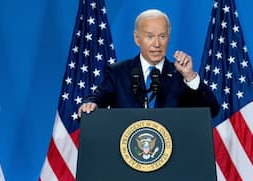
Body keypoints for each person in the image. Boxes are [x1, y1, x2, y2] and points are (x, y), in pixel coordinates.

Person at [78, 9, 219, 117]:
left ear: (168, 38)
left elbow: (211, 111)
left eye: (162, 36)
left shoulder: (180, 75)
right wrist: (90, 104)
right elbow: (94, 99)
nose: (157, 44)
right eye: (150, 36)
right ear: (137, 38)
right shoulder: (118, 72)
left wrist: (190, 77)